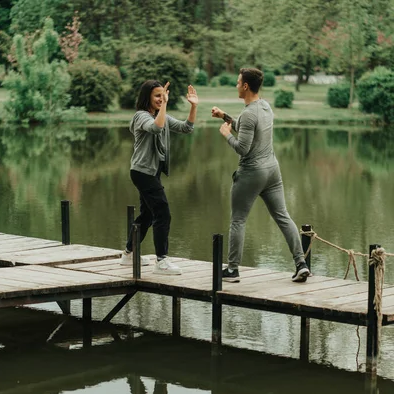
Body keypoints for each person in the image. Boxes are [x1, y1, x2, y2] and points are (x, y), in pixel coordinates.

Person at [211, 68, 310, 283]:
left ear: (245, 86)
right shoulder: (265, 106)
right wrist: (224, 116)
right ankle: (301, 263)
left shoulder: (248, 113)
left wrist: (227, 135)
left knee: (238, 220)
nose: (236, 85)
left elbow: (243, 148)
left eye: (238, 82)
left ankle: (233, 270)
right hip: (272, 171)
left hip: (251, 173)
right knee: (283, 216)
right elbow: (248, 129)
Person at [121, 80, 198, 275]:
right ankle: (162, 261)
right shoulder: (141, 117)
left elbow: (186, 128)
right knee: (163, 212)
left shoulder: (160, 115)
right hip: (142, 172)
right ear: (147, 96)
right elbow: (156, 127)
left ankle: (129, 254)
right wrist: (164, 105)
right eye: (157, 96)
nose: (160, 99)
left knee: (147, 215)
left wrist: (193, 106)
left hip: (150, 172)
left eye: (162, 96)